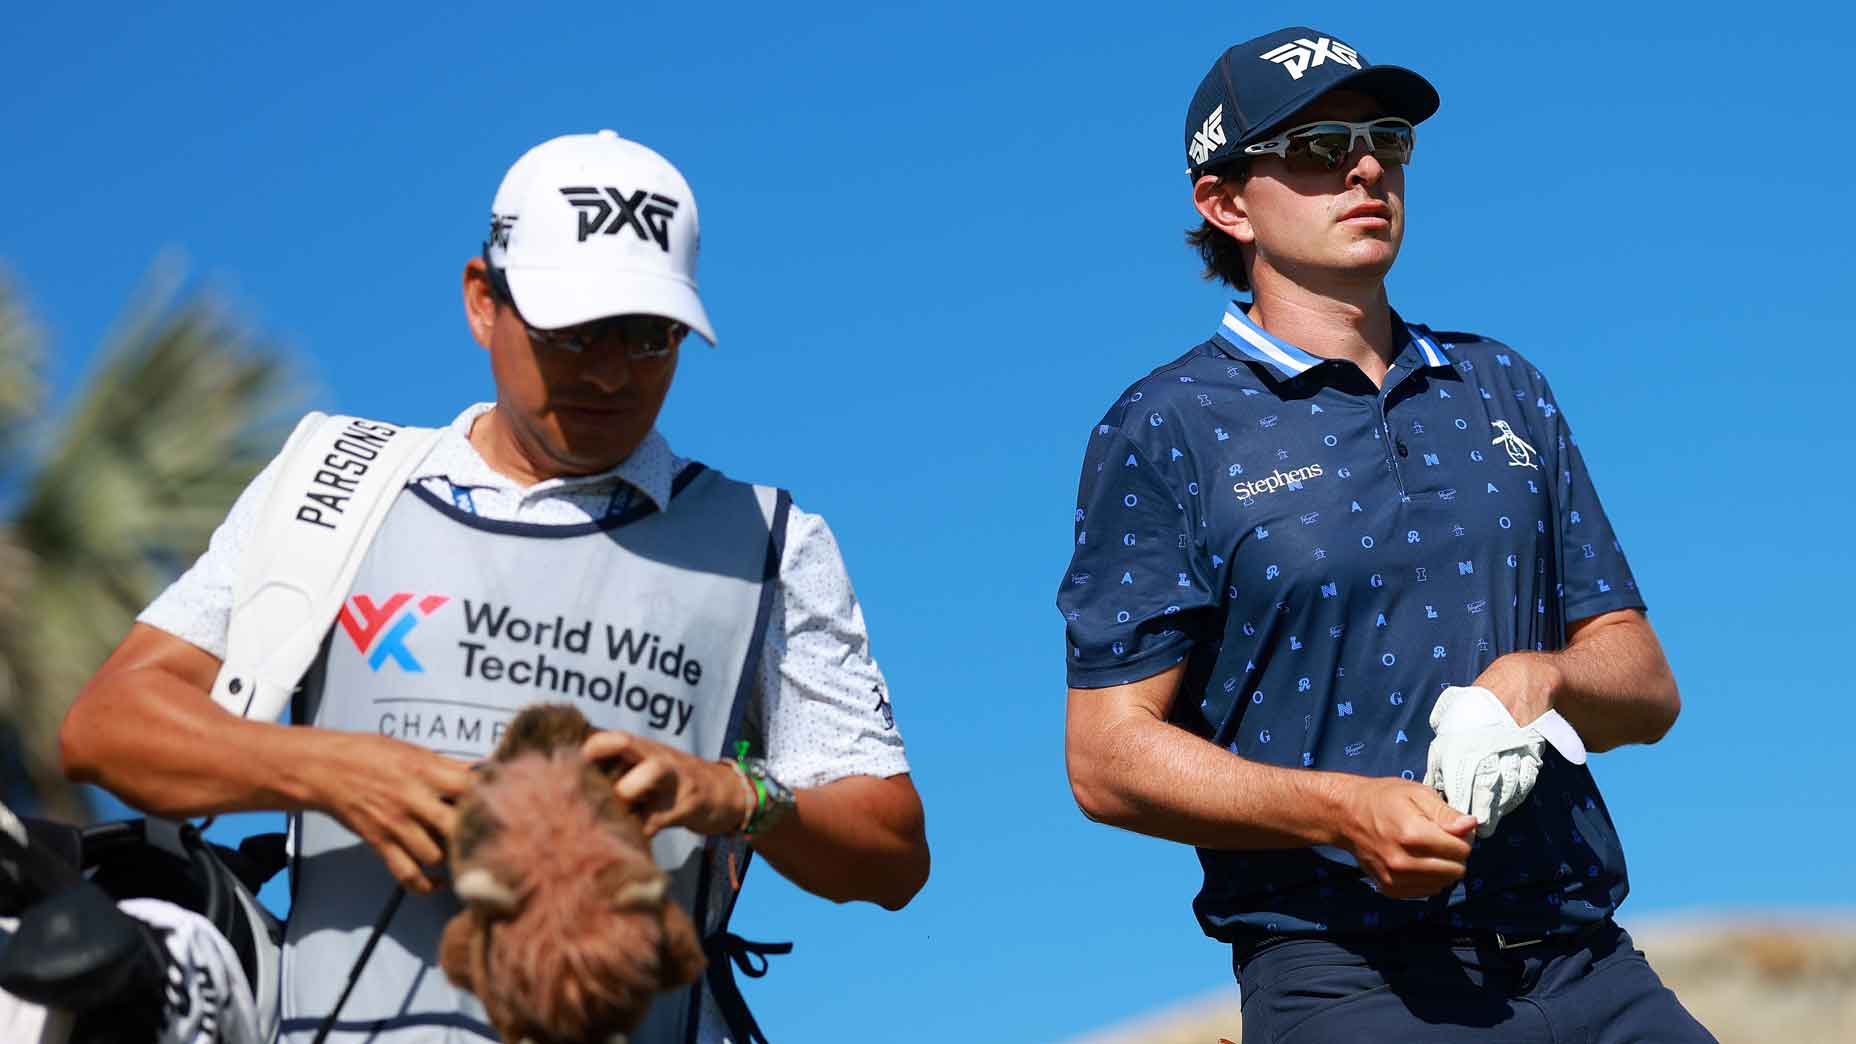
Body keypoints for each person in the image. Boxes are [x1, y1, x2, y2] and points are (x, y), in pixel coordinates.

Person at [60, 130, 929, 1043]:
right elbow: (107, 727)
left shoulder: (767, 540)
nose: (608, 372)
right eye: (574, 331)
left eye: (648, 336)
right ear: (484, 301)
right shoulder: (336, 481)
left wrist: (738, 794)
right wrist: (336, 773)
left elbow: (892, 853)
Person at [1058, 27, 1713, 1043]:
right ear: (1225, 203)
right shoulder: (1167, 425)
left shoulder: (1501, 384)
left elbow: (1643, 682)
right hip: (1348, 982)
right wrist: (1342, 812)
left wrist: (1538, 678)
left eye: (1385, 138)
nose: (1364, 166)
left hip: (1586, 963)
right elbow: (1106, 759)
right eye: (1319, 148)